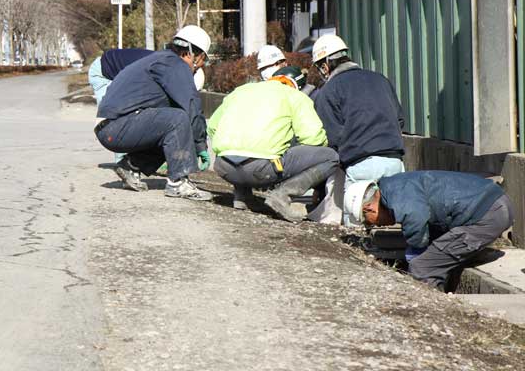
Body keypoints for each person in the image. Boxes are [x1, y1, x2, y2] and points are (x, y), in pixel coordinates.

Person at [94, 26, 213, 201]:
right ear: (192, 54)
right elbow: (191, 106)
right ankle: (178, 183)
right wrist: (200, 144)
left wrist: (194, 141)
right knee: (178, 119)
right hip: (116, 129)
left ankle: (131, 166)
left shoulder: (161, 60)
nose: (200, 66)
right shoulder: (175, 64)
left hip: (113, 128)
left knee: (172, 123)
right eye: (203, 60)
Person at [207, 66, 339, 221]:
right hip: (260, 170)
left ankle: (242, 196)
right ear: (297, 86)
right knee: (330, 157)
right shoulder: (294, 96)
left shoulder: (241, 91)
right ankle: (282, 196)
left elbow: (212, 127)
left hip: (224, 167)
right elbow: (314, 139)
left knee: (248, 145)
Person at [346, 172, 514, 292]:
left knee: (422, 267)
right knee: (435, 250)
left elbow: (415, 218)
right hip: (494, 204)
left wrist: (416, 249)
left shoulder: (397, 194)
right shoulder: (394, 186)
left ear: (369, 208)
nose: (377, 226)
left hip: (486, 215)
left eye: (368, 221)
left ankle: (436, 308)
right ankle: (471, 255)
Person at [311, 35, 404, 223]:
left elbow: (330, 138)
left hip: (360, 164)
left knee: (356, 225)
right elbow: (400, 120)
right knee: (395, 219)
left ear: (325, 66)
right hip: (394, 161)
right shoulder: (381, 80)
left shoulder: (329, 91)